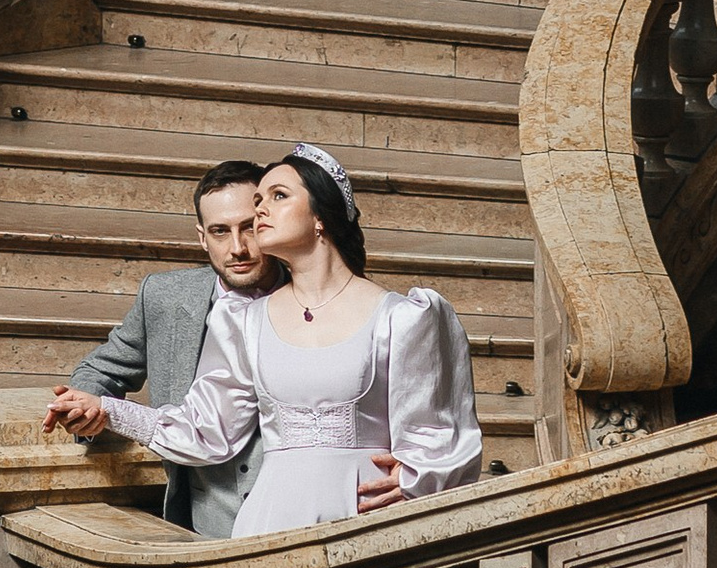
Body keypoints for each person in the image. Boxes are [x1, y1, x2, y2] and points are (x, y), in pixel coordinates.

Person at [44, 145, 480, 534]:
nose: (259, 215)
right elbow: (207, 428)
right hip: (269, 520)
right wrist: (108, 409)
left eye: (277, 197)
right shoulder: (244, 321)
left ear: (321, 216)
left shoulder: (405, 317)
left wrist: (420, 479)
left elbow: (436, 434)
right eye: (258, 201)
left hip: (368, 517)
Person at [59, 158, 270, 537]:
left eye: (249, 228)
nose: (237, 248)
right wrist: (87, 413)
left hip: (292, 517)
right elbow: (100, 370)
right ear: (202, 237)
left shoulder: (315, 297)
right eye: (220, 232)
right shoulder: (165, 297)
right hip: (201, 524)